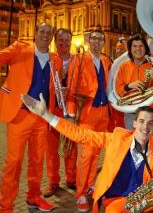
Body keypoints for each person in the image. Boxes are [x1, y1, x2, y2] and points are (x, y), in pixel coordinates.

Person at [21, 94, 153, 213]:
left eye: (150, 123)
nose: (145, 127)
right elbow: (81, 135)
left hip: (145, 198)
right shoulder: (116, 139)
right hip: (118, 201)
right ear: (134, 123)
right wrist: (46, 115)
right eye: (141, 121)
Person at [0, 23, 58, 212]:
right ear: (36, 33)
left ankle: (33, 198)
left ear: (52, 37)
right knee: (13, 163)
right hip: (19, 115)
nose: (46, 35)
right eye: (42, 31)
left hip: (40, 117)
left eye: (49, 33)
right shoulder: (20, 47)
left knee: (37, 162)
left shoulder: (55, 59)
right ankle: (5, 206)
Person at [66, 30, 111, 212]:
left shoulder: (106, 60)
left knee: (95, 155)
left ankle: (91, 186)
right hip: (86, 113)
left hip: (103, 113)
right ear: (88, 40)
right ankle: (80, 195)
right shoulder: (78, 59)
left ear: (103, 42)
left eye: (100, 39)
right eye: (94, 38)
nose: (97, 42)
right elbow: (71, 85)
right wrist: (70, 113)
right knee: (85, 156)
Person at [43, 28, 77, 197]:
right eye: (61, 40)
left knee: (70, 148)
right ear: (55, 41)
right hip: (53, 110)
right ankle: (53, 182)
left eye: (67, 40)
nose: (64, 43)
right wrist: (55, 91)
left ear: (71, 41)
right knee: (51, 150)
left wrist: (70, 91)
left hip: (70, 110)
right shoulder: (49, 59)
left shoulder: (77, 60)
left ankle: (71, 179)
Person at [115, 34, 153, 129]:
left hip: (151, 113)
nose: (138, 49)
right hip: (131, 113)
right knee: (132, 142)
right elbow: (118, 90)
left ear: (145, 48)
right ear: (130, 49)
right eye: (134, 46)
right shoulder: (123, 66)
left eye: (141, 46)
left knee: (152, 142)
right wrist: (129, 86)